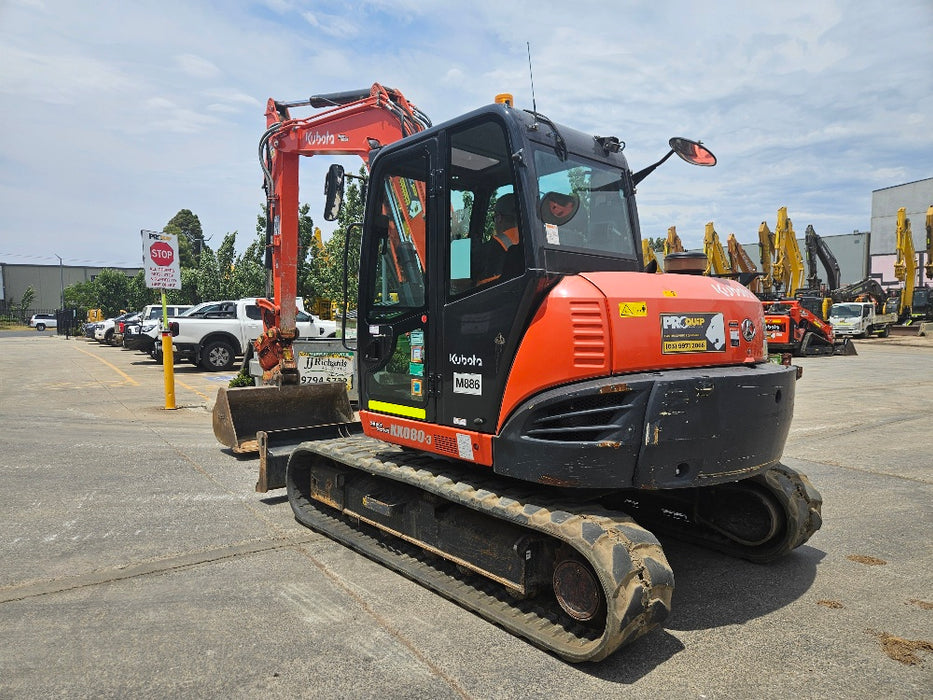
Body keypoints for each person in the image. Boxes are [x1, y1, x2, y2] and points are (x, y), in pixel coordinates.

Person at [477, 193, 521, 284]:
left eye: (494, 218)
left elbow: (459, 284)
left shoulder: (489, 251)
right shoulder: (531, 247)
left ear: (499, 218)